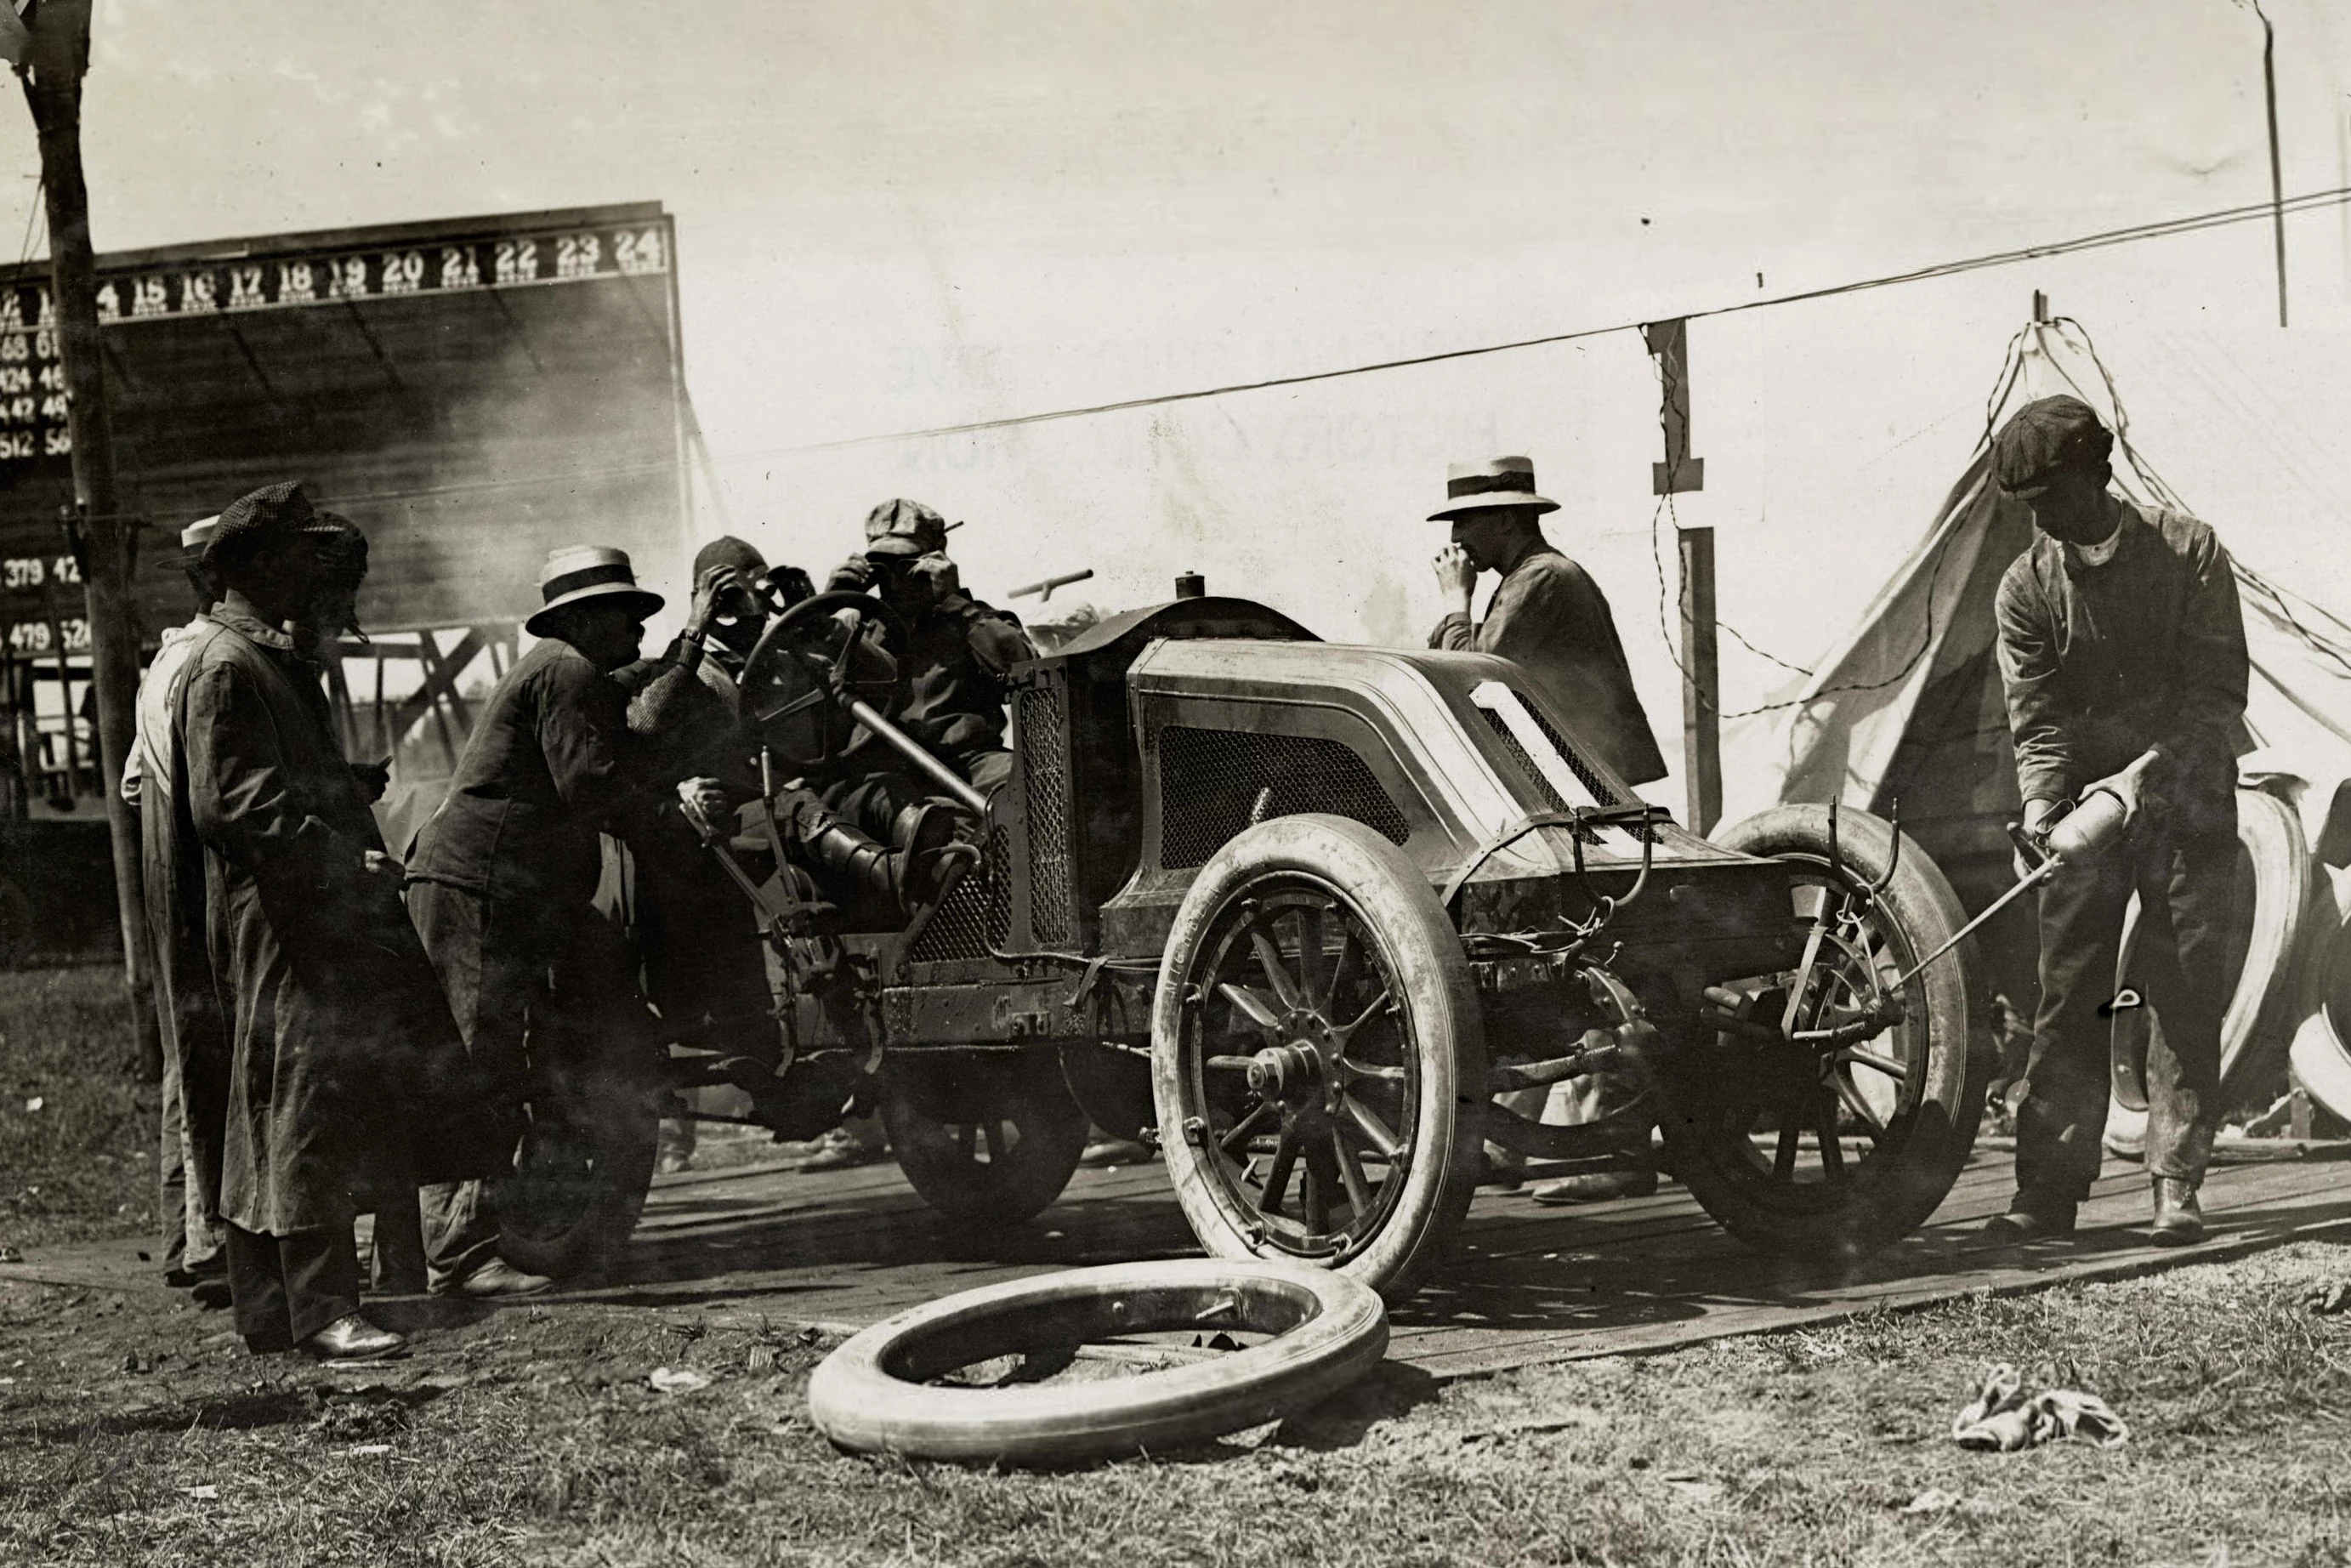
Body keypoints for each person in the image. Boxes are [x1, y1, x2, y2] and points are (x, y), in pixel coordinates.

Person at [180, 481, 488, 1361]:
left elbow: (265, 781)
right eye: (289, 558)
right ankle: (320, 1310)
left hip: (295, 913)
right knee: (302, 1100)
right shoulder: (230, 666)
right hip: (284, 917)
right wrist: (333, 851)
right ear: (252, 566)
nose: (303, 574)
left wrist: (341, 784)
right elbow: (229, 803)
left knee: (283, 1099)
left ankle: (273, 1311)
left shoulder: (259, 660)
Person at [1985, 395, 2247, 1247]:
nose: (2043, 518)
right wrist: (2039, 808)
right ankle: (2047, 1192)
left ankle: (2174, 1182)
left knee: (2179, 987)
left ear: (2096, 472)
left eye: (2051, 496)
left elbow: (2214, 693)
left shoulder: (2189, 551)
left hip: (2188, 792)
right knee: (2068, 994)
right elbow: (2038, 718)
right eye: (2027, 506)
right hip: (2084, 817)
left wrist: (2141, 774)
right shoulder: (2025, 586)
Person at [404, 545, 671, 1296]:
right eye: (627, 613)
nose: (641, 630)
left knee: (485, 1052)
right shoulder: (566, 669)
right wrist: (665, 806)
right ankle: (457, 1258)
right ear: (584, 618)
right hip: (476, 886)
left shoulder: (561, 669)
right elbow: (588, 785)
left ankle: (445, 1244)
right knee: (474, 1060)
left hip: (500, 887)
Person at [1427, 454, 1667, 1204]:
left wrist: (1451, 599)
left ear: (1506, 518)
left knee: (1598, 962)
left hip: (1580, 796)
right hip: (1565, 792)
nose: (1458, 540)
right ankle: (1512, 1140)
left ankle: (1618, 1151)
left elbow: (1467, 677)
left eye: (1466, 522)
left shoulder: (1541, 583)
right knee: (1540, 960)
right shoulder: (1531, 582)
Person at [122, 514, 229, 1297]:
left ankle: (182, 1238)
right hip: (202, 873)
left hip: (171, 864)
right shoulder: (208, 662)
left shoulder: (165, 662)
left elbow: (135, 782)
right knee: (210, 1052)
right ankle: (213, 1243)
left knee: (186, 1054)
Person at [823, 498, 1036, 823]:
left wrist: (955, 602)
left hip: (968, 765)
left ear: (939, 555)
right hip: (887, 773)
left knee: (1038, 785)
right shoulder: (854, 629)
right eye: (882, 565)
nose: (895, 578)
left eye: (907, 563)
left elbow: (1030, 674)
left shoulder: (971, 619)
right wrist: (826, 607)